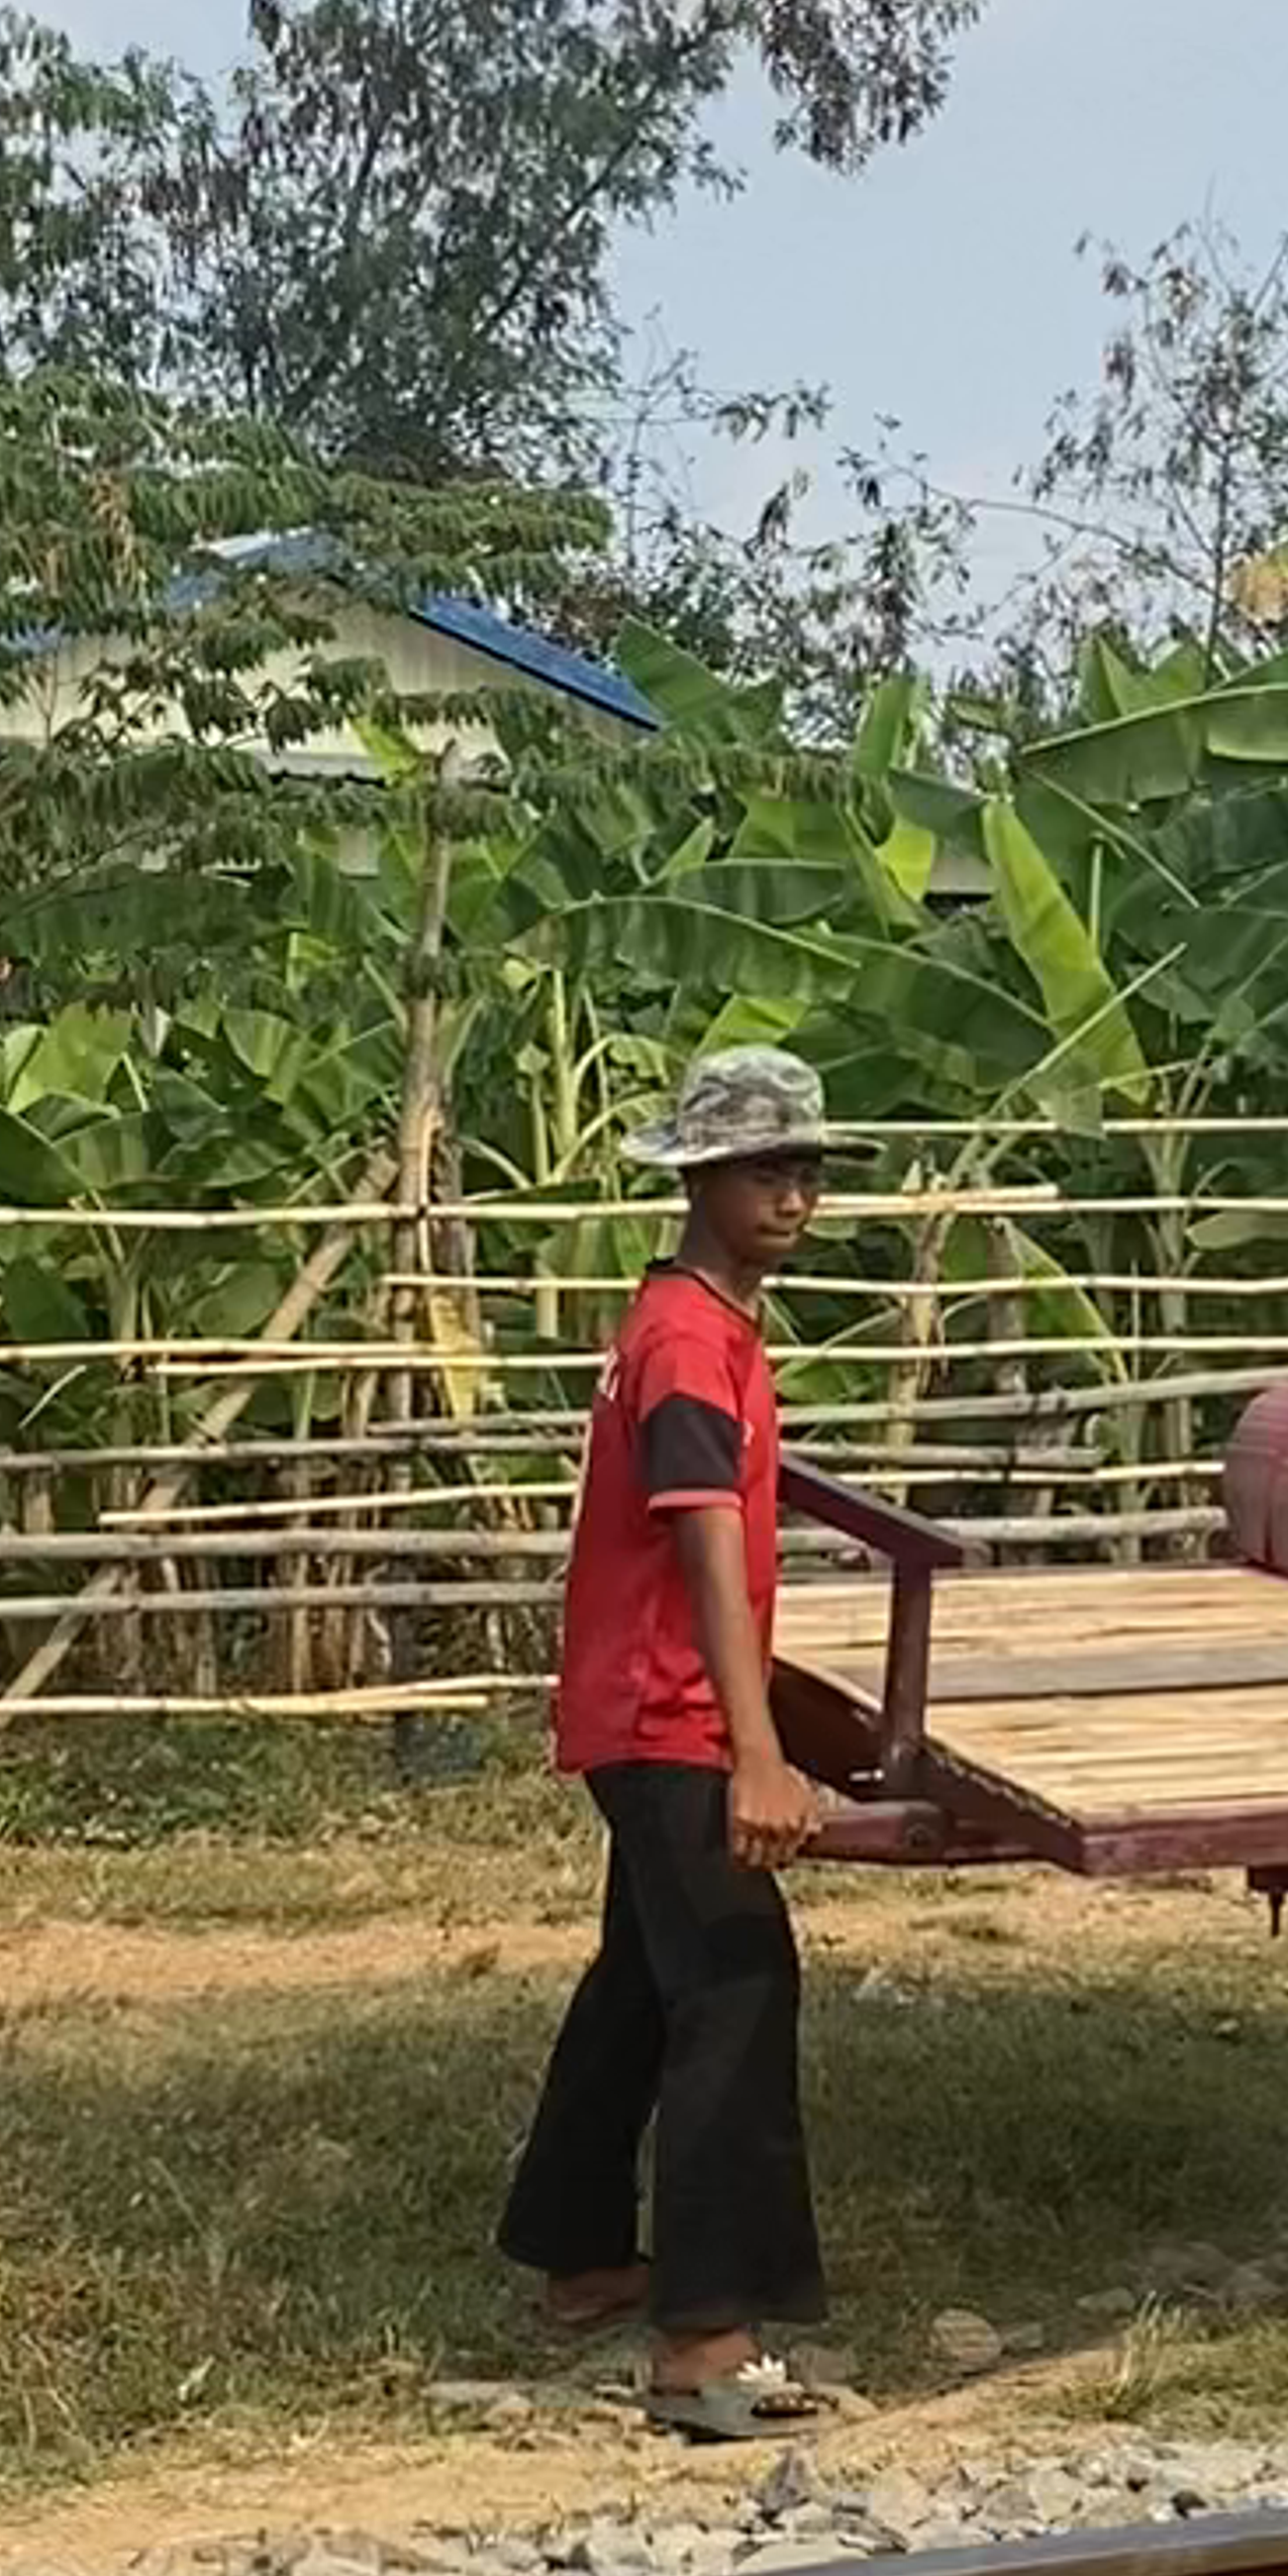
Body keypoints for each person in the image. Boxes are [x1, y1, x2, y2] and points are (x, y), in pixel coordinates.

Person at [499, 1044, 836, 2441]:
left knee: (647, 1972)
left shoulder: (692, 1321)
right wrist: (755, 1749)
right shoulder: (692, 1339)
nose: (794, 1193)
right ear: (697, 1176)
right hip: (671, 1712)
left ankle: (579, 2247)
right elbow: (700, 1537)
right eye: (767, 1167)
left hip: (643, 1703)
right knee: (739, 1984)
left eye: (807, 1168)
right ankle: (705, 2334)